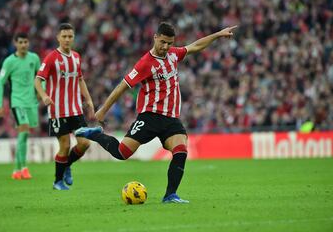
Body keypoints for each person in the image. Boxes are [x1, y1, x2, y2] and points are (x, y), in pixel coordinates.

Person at [75, 22, 237, 203]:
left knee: (181, 150)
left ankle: (170, 195)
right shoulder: (145, 63)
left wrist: (218, 34)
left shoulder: (174, 55)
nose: (166, 47)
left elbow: (195, 46)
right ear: (155, 38)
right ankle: (97, 135)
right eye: (163, 42)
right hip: (149, 116)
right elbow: (123, 86)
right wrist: (103, 110)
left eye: (169, 43)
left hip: (171, 119)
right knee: (122, 153)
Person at [34, 23, 102, 190]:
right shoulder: (51, 58)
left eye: (70, 36)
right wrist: (44, 96)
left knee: (84, 144)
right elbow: (37, 80)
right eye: (64, 36)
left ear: (73, 38)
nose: (67, 39)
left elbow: (80, 79)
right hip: (58, 111)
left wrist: (89, 99)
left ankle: (66, 166)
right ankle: (57, 181)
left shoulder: (77, 57)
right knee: (64, 146)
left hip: (75, 109)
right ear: (58, 37)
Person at [0, 32, 41, 180]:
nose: (23, 45)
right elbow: (0, 82)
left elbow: (42, 77)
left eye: (25, 42)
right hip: (17, 102)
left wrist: (43, 91)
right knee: (24, 130)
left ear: (28, 43)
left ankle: (16, 169)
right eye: (20, 42)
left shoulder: (34, 59)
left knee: (25, 134)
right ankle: (24, 167)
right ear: (15, 44)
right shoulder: (9, 62)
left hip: (31, 102)